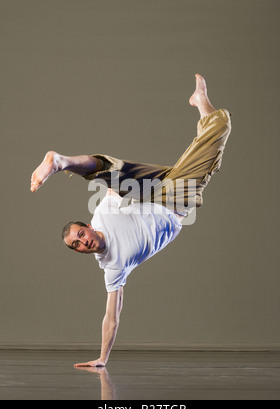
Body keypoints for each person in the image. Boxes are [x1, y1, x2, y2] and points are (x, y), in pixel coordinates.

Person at [30, 74, 232, 367]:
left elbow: (114, 183)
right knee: (217, 136)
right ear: (81, 252)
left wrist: (114, 174)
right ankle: (201, 105)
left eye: (79, 234)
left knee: (114, 170)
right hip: (176, 202)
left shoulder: (101, 214)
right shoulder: (112, 268)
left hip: (155, 189)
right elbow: (112, 317)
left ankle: (62, 162)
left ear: (87, 226)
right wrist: (102, 358)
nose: (82, 241)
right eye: (77, 244)